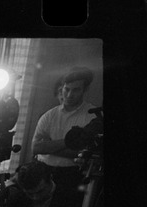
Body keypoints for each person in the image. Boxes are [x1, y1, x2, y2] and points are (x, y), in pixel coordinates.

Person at [32, 66, 98, 194]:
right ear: (61, 88)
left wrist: (49, 146)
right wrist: (70, 142)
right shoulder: (49, 115)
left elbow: (84, 152)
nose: (69, 95)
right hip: (44, 172)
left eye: (76, 90)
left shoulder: (92, 116)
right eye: (66, 89)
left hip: (72, 176)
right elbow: (36, 148)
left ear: (85, 90)